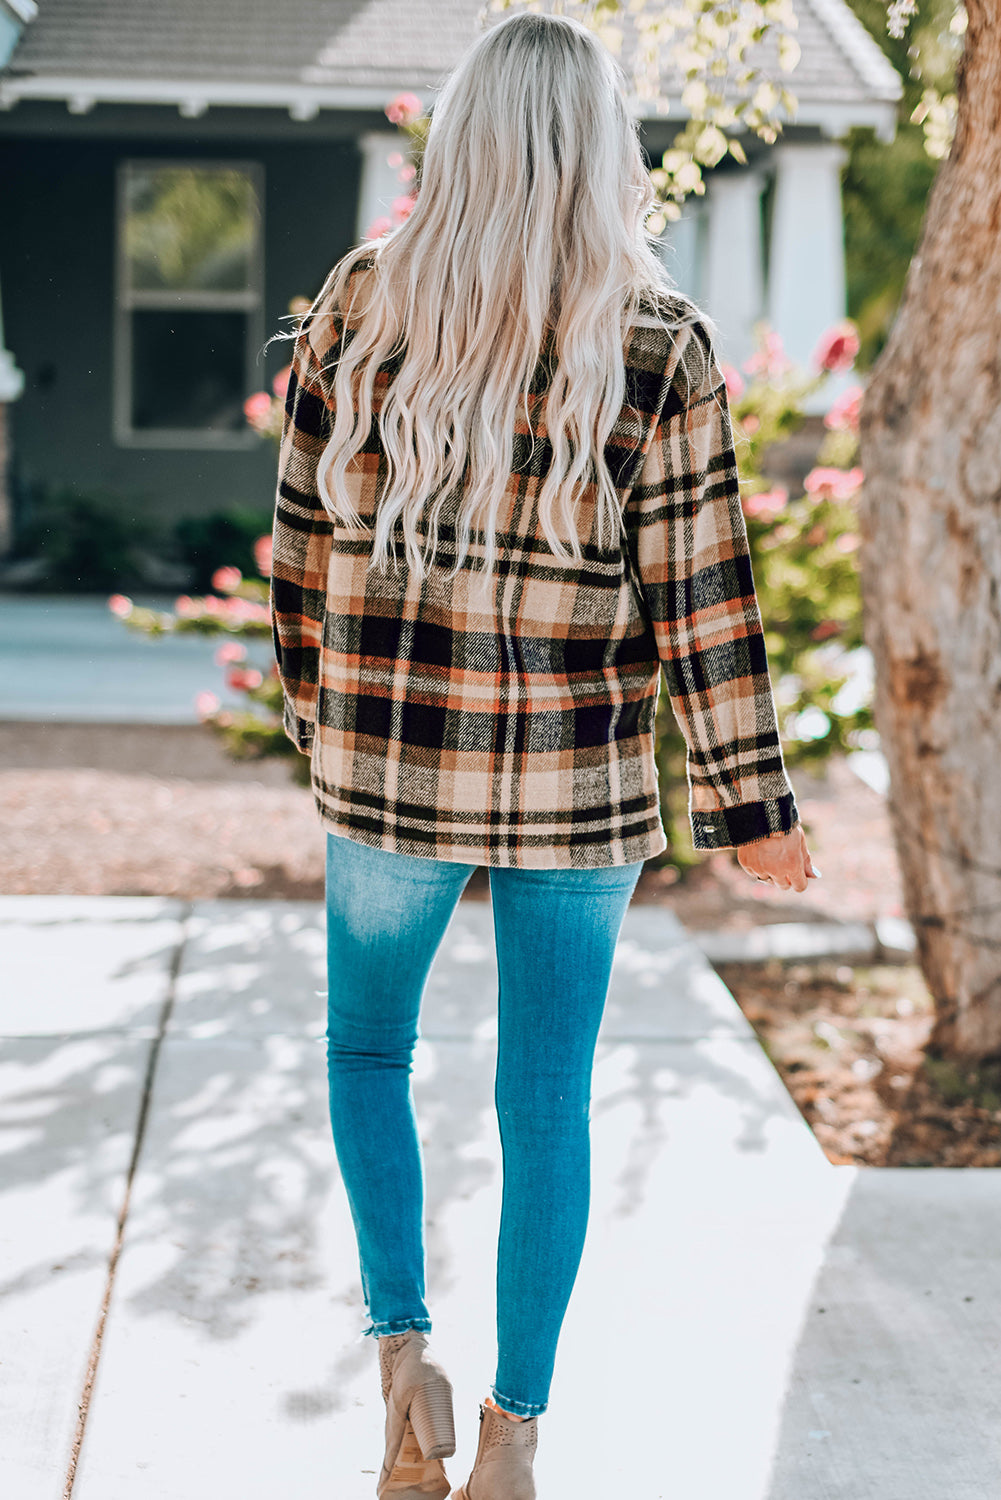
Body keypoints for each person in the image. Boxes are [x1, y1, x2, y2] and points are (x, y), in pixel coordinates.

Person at [269, 12, 819, 1498]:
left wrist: (323, 723)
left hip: (387, 773)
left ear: (458, 135)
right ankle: (512, 1435)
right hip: (574, 790)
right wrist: (750, 805)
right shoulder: (655, 343)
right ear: (598, 152)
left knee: (369, 1052)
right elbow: (704, 602)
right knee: (544, 1099)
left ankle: (404, 1361)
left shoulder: (359, 305)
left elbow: (300, 553)